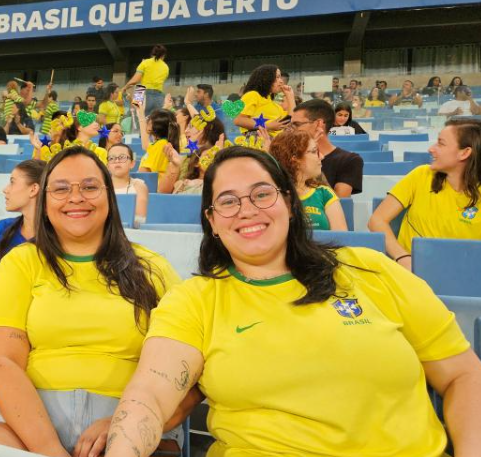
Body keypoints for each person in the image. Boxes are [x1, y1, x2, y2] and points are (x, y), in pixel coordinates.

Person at [105, 145, 481, 457]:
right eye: (228, 201)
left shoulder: (368, 269)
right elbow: (151, 396)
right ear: (212, 222)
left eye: (262, 194)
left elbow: (464, 374)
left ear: (288, 201)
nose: (247, 209)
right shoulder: (195, 301)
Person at [0, 146, 185, 456]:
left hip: (131, 416)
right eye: (60, 189)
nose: (76, 198)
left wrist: (125, 422)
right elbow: (1, 362)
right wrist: (50, 449)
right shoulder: (21, 262)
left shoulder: (152, 267)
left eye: (89, 187)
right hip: (30, 417)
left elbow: (185, 372)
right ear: (43, 203)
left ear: (109, 198)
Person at [369, 119, 481, 271]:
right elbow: (376, 220)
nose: (431, 149)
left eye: (441, 143)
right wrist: (402, 257)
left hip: (466, 277)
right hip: (413, 276)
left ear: (465, 152)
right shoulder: (421, 175)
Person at [269, 130, 348, 231]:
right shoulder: (272, 196)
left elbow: (340, 238)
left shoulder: (324, 193)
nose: (322, 156)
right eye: (314, 151)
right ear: (295, 160)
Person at [287, 99, 363, 197]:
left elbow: (338, 203)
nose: (290, 130)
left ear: (318, 124)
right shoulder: (290, 156)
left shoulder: (349, 160)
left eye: (296, 125)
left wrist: (313, 158)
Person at [0, 160, 44, 258]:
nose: (5, 189)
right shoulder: (1, 227)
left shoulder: (60, 236)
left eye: (12, 182)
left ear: (33, 189)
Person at [233, 64, 294, 137]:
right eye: (277, 77)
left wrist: (290, 96)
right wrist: (267, 126)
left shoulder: (273, 104)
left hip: (273, 142)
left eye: (280, 77)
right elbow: (238, 120)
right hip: (258, 141)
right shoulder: (252, 95)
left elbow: (291, 120)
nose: (281, 81)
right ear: (266, 78)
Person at [35, 110, 108, 164]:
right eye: (90, 121)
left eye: (95, 121)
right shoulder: (65, 149)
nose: (96, 124)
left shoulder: (101, 152)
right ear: (79, 127)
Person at [107, 144, 148, 227]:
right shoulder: (101, 187)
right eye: (111, 158)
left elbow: (140, 219)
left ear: (132, 164)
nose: (117, 161)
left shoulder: (139, 186)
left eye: (122, 157)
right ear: (107, 165)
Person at [123, 44, 169, 112]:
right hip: (159, 95)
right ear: (163, 55)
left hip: (141, 90)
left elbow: (135, 81)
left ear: (152, 54)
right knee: (156, 120)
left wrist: (125, 87)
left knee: (137, 116)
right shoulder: (166, 67)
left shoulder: (145, 63)